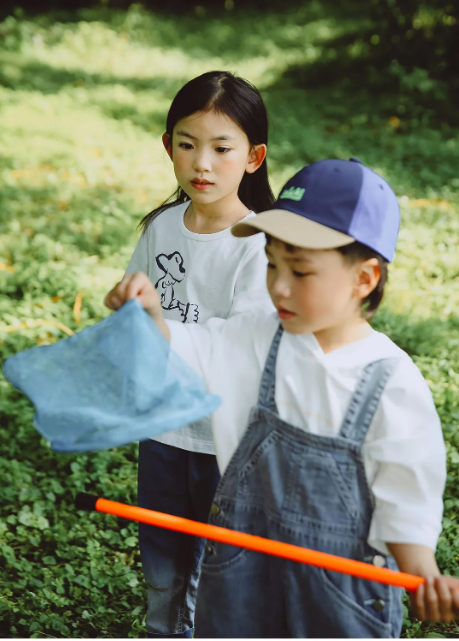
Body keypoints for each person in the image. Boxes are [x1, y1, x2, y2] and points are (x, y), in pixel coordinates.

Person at [105, 158, 458, 638]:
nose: (278, 285)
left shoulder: (392, 383)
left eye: (302, 271)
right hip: (240, 580)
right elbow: (186, 354)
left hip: (341, 597)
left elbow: (406, 504)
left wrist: (423, 576)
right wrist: (150, 317)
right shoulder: (257, 336)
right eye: (272, 263)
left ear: (365, 278)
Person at [114, 70, 275, 638]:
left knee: (214, 560)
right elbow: (139, 310)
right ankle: (162, 625)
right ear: (168, 147)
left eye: (221, 148)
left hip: (223, 438)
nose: (201, 163)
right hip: (162, 428)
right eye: (187, 144)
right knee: (160, 548)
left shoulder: (258, 244)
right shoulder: (161, 228)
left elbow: (242, 347)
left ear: (252, 157)